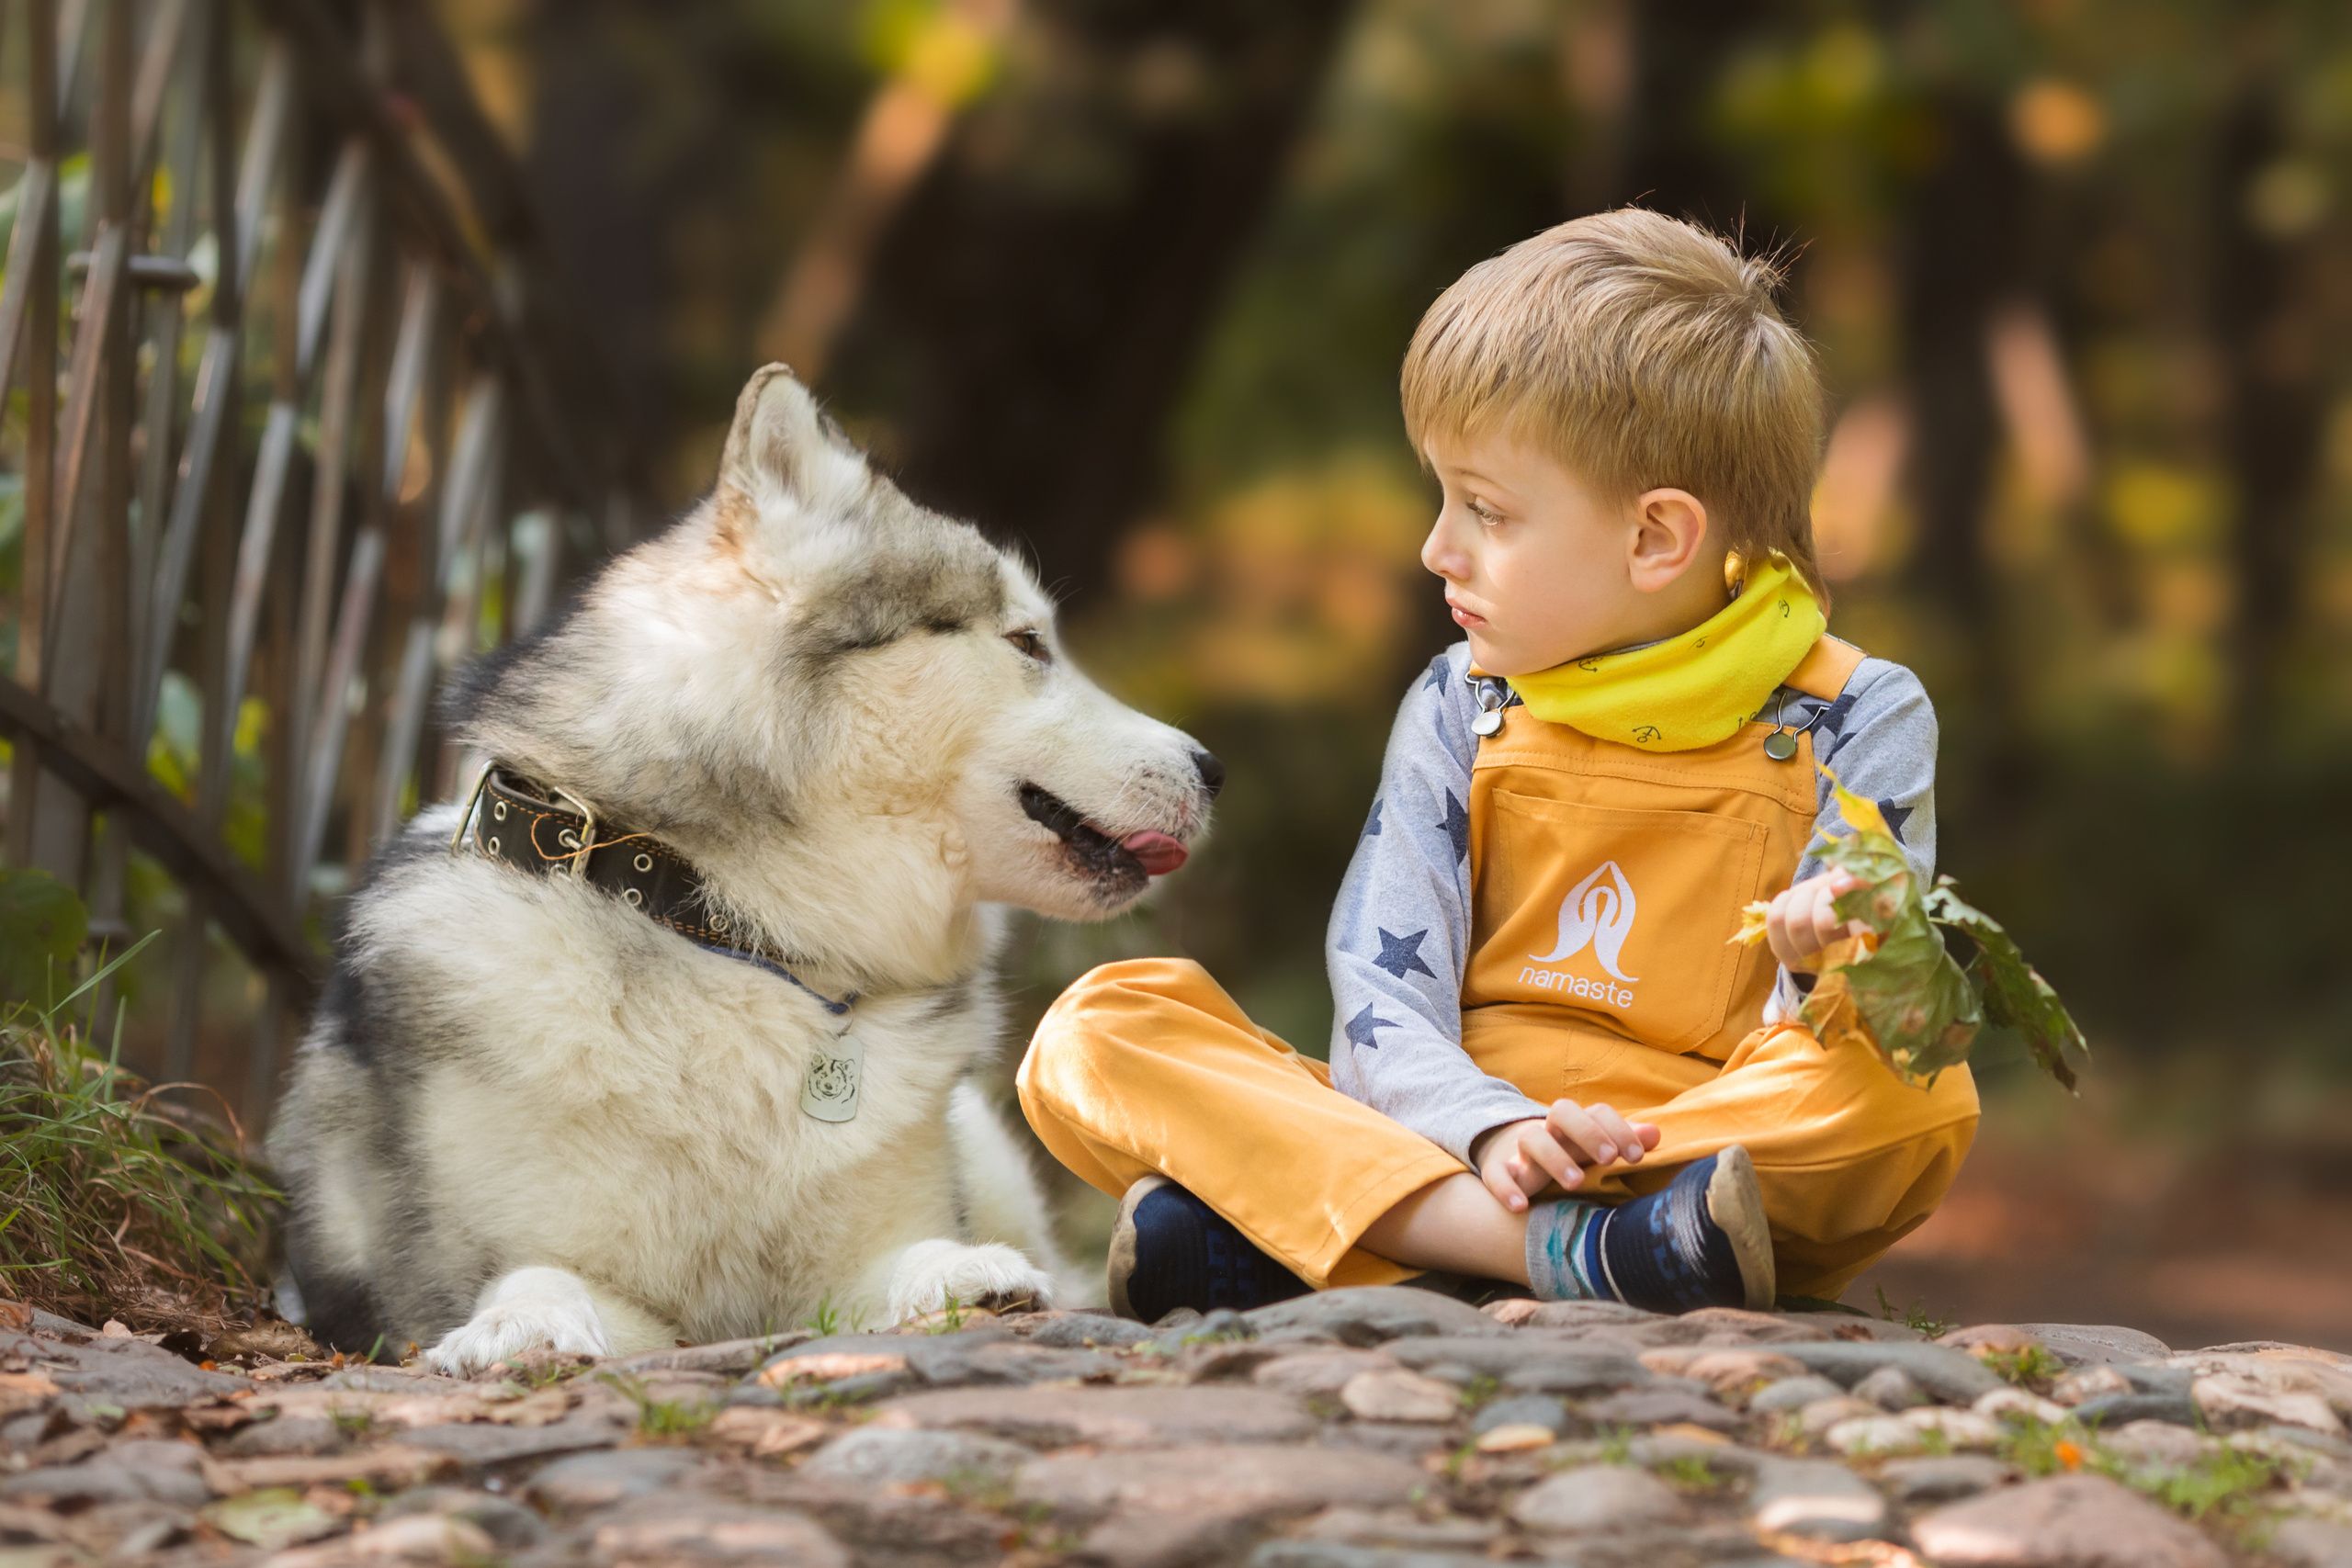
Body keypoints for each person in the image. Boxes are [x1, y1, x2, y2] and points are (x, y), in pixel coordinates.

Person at [1016, 209, 1981, 1319]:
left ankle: (1348, 1241)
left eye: (1485, 510)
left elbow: (1880, 1021)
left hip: (1698, 1150)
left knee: (1917, 1096)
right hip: (1459, 1124)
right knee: (1097, 1033)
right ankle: (1579, 1255)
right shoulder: (1460, 704)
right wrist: (1495, 1127)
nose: (1437, 548)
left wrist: (1828, 955)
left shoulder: (1856, 712)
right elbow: (1383, 997)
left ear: (1655, 538)